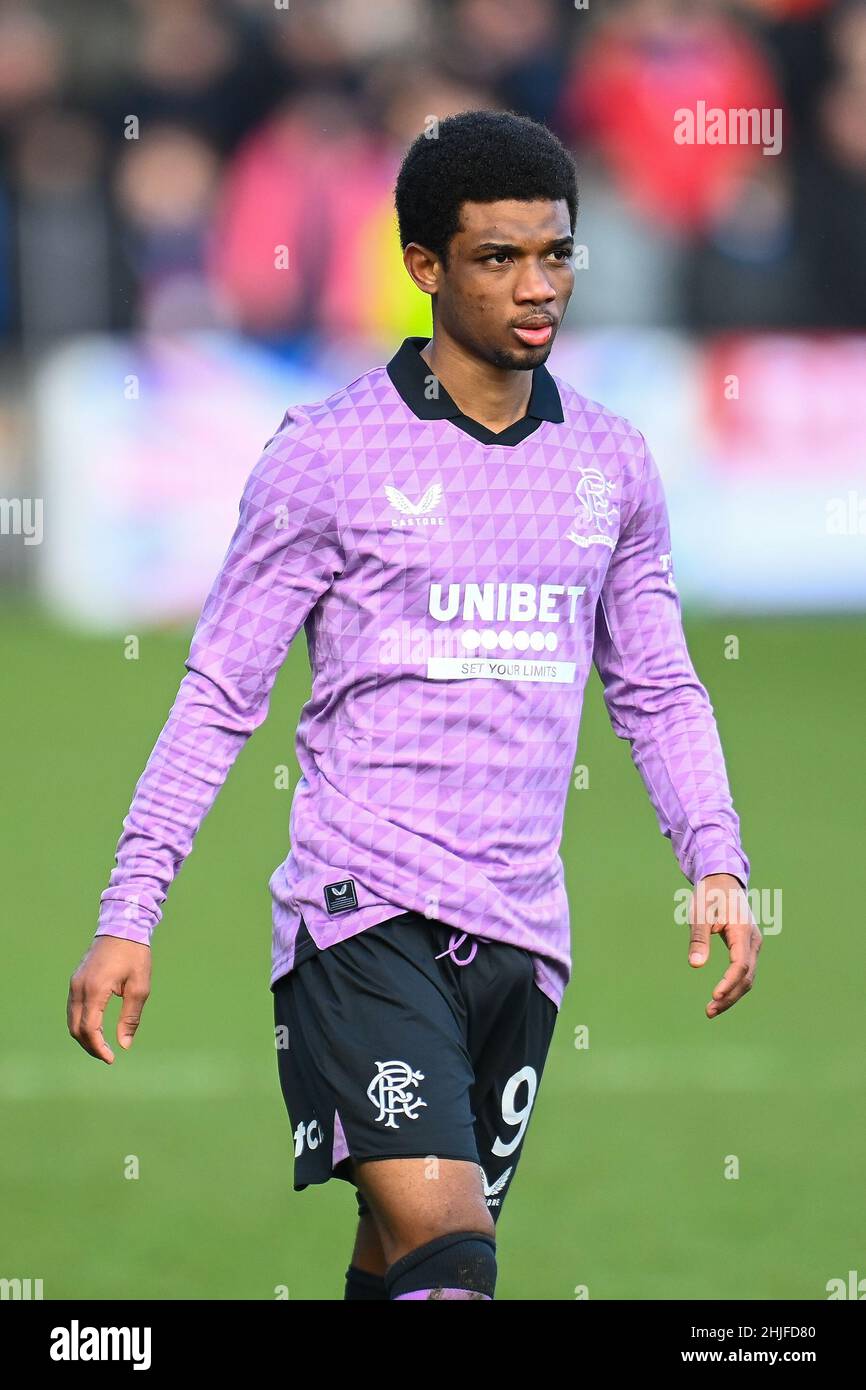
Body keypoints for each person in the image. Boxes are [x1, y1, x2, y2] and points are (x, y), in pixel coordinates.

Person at [68, 110, 761, 1302]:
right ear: (423, 267)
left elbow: (654, 683)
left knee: (397, 1268)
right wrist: (132, 908)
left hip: (522, 938)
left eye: (554, 254)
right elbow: (220, 692)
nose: (536, 287)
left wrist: (715, 856)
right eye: (497, 259)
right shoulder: (324, 456)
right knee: (454, 1257)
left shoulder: (612, 463)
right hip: (360, 915)